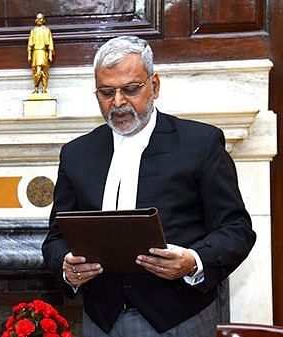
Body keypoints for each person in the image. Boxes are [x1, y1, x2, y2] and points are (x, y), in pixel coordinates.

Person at [42, 36, 256, 337]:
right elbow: (55, 238)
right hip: (101, 321)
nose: (118, 102)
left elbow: (237, 230)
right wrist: (67, 267)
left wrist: (193, 262)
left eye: (131, 89)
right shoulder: (76, 153)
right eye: (106, 92)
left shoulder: (200, 143)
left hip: (180, 320)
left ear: (154, 85)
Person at [27, 13, 55, 94]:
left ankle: (44, 88)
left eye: (41, 19)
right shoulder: (33, 31)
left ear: (44, 20)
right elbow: (30, 43)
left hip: (43, 52)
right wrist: (29, 55)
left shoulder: (47, 30)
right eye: (37, 19)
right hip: (36, 52)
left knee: (45, 71)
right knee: (37, 71)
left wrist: (50, 55)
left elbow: (50, 43)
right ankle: (36, 87)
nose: (39, 20)